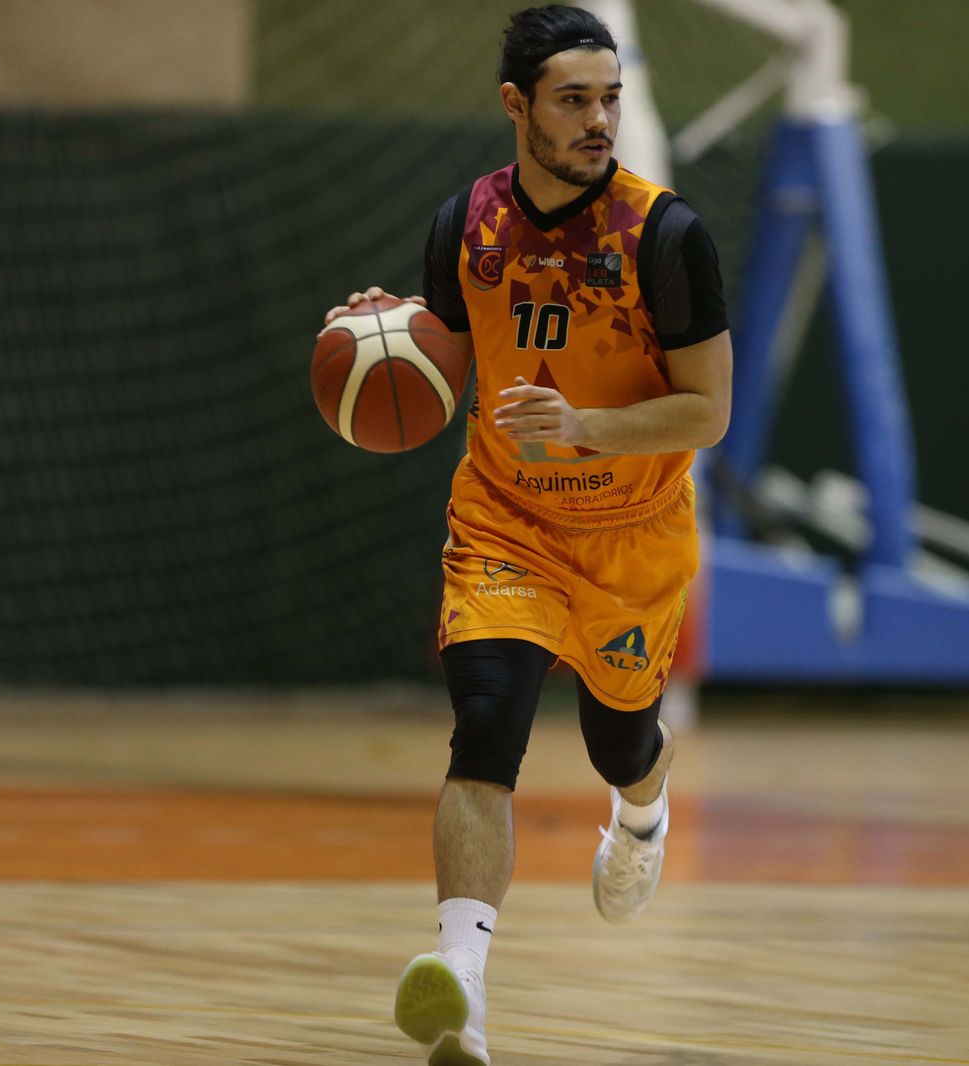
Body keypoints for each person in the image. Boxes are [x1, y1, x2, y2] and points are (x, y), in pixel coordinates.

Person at [326, 6, 730, 1063]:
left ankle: (641, 813)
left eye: (610, 99)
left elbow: (707, 411)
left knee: (618, 745)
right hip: (505, 522)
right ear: (517, 106)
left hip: (632, 534)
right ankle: (460, 984)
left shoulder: (667, 237)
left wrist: (587, 426)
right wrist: (390, 340)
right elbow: (446, 366)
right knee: (486, 725)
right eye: (573, 100)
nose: (600, 121)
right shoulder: (464, 222)